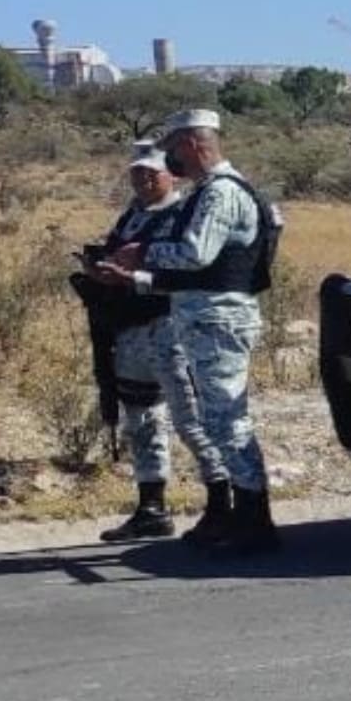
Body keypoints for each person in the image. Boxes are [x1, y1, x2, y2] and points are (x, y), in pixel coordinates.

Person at [94, 109, 283, 555]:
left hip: (218, 320)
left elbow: (196, 254)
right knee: (217, 421)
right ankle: (238, 516)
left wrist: (142, 255)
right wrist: (136, 274)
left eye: (175, 147)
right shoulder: (208, 192)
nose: (170, 159)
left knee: (225, 421)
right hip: (204, 318)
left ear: (196, 145)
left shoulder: (220, 193)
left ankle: (255, 522)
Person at [74, 142, 226, 541]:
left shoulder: (183, 215)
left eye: (151, 173)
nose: (142, 180)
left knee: (190, 421)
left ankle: (222, 503)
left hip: (170, 327)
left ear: (171, 175)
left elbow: (191, 265)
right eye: (136, 173)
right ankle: (151, 507)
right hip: (129, 329)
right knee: (141, 419)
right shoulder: (133, 215)